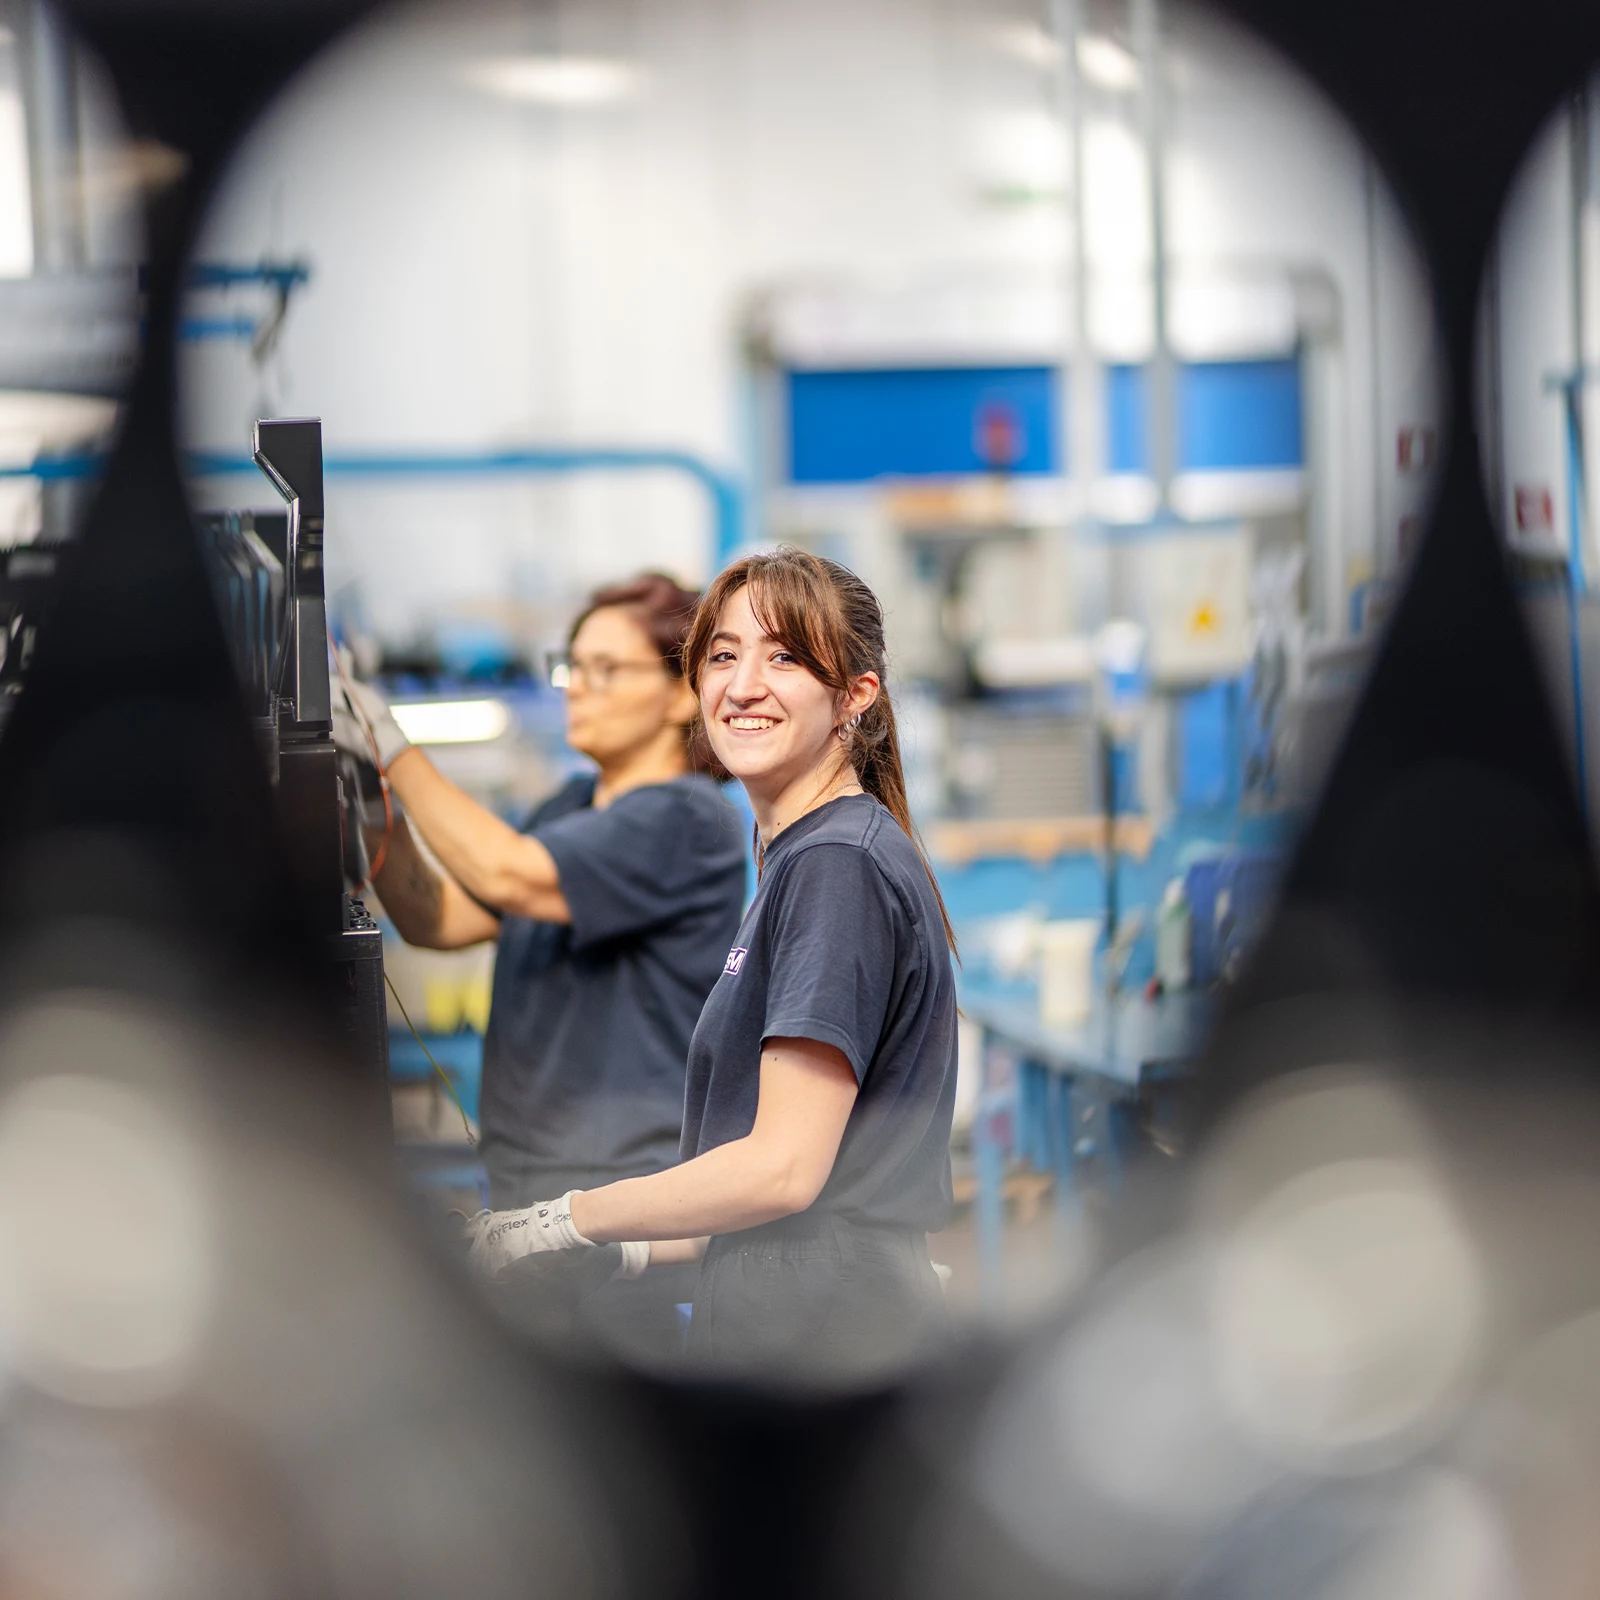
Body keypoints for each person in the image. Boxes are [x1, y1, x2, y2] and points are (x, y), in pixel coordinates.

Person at [464, 547, 960, 1384]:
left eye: (786, 658)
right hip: (797, 1316)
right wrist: (615, 1253)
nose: (743, 685)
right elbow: (765, 1177)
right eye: (723, 656)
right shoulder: (803, 855)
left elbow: (782, 1170)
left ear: (856, 699)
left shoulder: (836, 864)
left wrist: (566, 1219)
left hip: (818, 1344)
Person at [337, 573, 748, 1363]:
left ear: (679, 696)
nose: (578, 690)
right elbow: (442, 918)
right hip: (527, 1184)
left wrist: (392, 747)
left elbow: (508, 875)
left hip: (617, 1208)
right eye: (573, 667)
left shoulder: (686, 819)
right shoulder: (568, 805)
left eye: (608, 669)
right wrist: (368, 807)